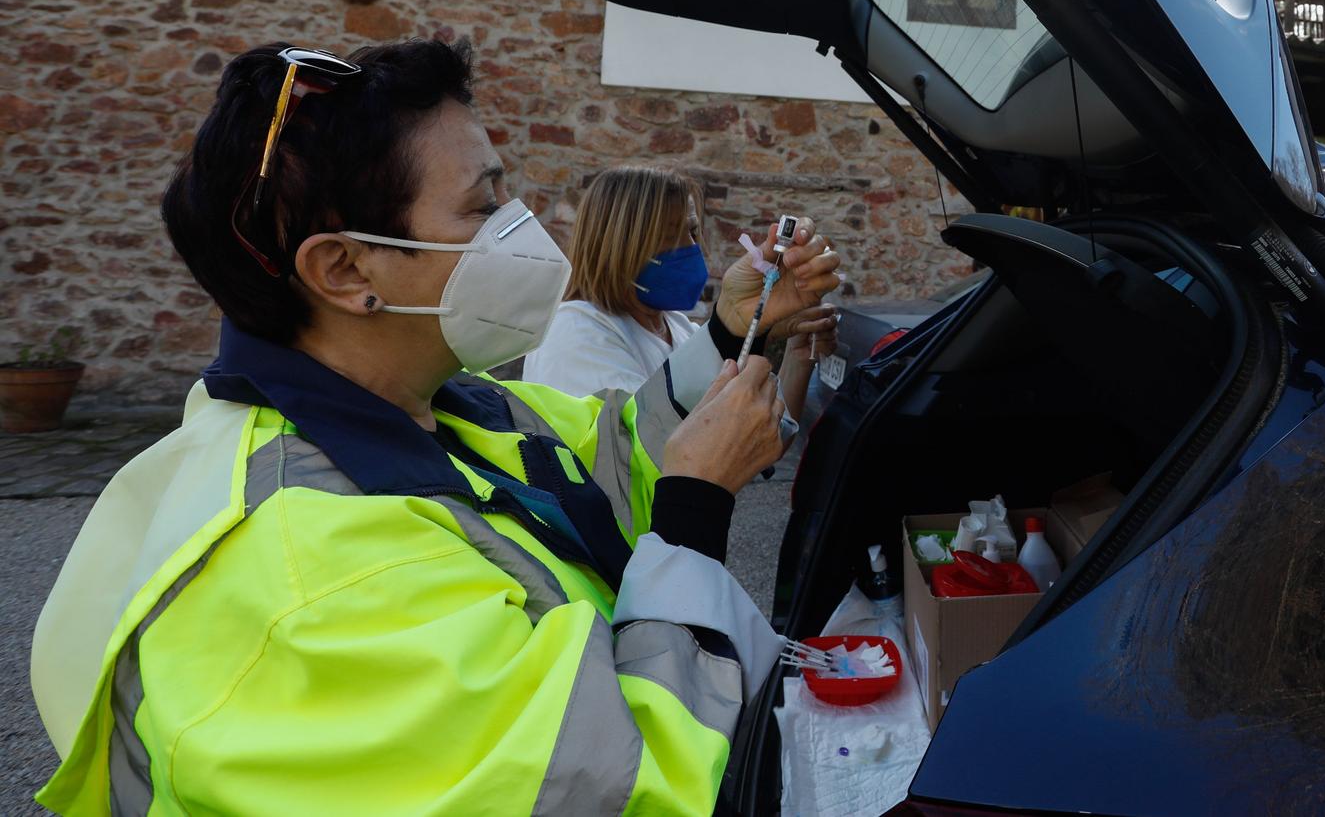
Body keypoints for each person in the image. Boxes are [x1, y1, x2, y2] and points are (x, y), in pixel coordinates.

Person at [30, 40, 835, 815]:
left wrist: (729, 331)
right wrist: (696, 514)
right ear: (346, 270)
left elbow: (611, 460)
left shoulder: (443, 404)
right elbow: (619, 784)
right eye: (483, 205)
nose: (524, 231)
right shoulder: (317, 582)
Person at [524, 164, 839, 432]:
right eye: (667, 234)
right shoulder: (574, 333)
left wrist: (798, 353)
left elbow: (764, 436)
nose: (690, 248)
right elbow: (655, 449)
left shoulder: (678, 329)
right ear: (618, 247)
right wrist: (729, 328)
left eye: (692, 230)